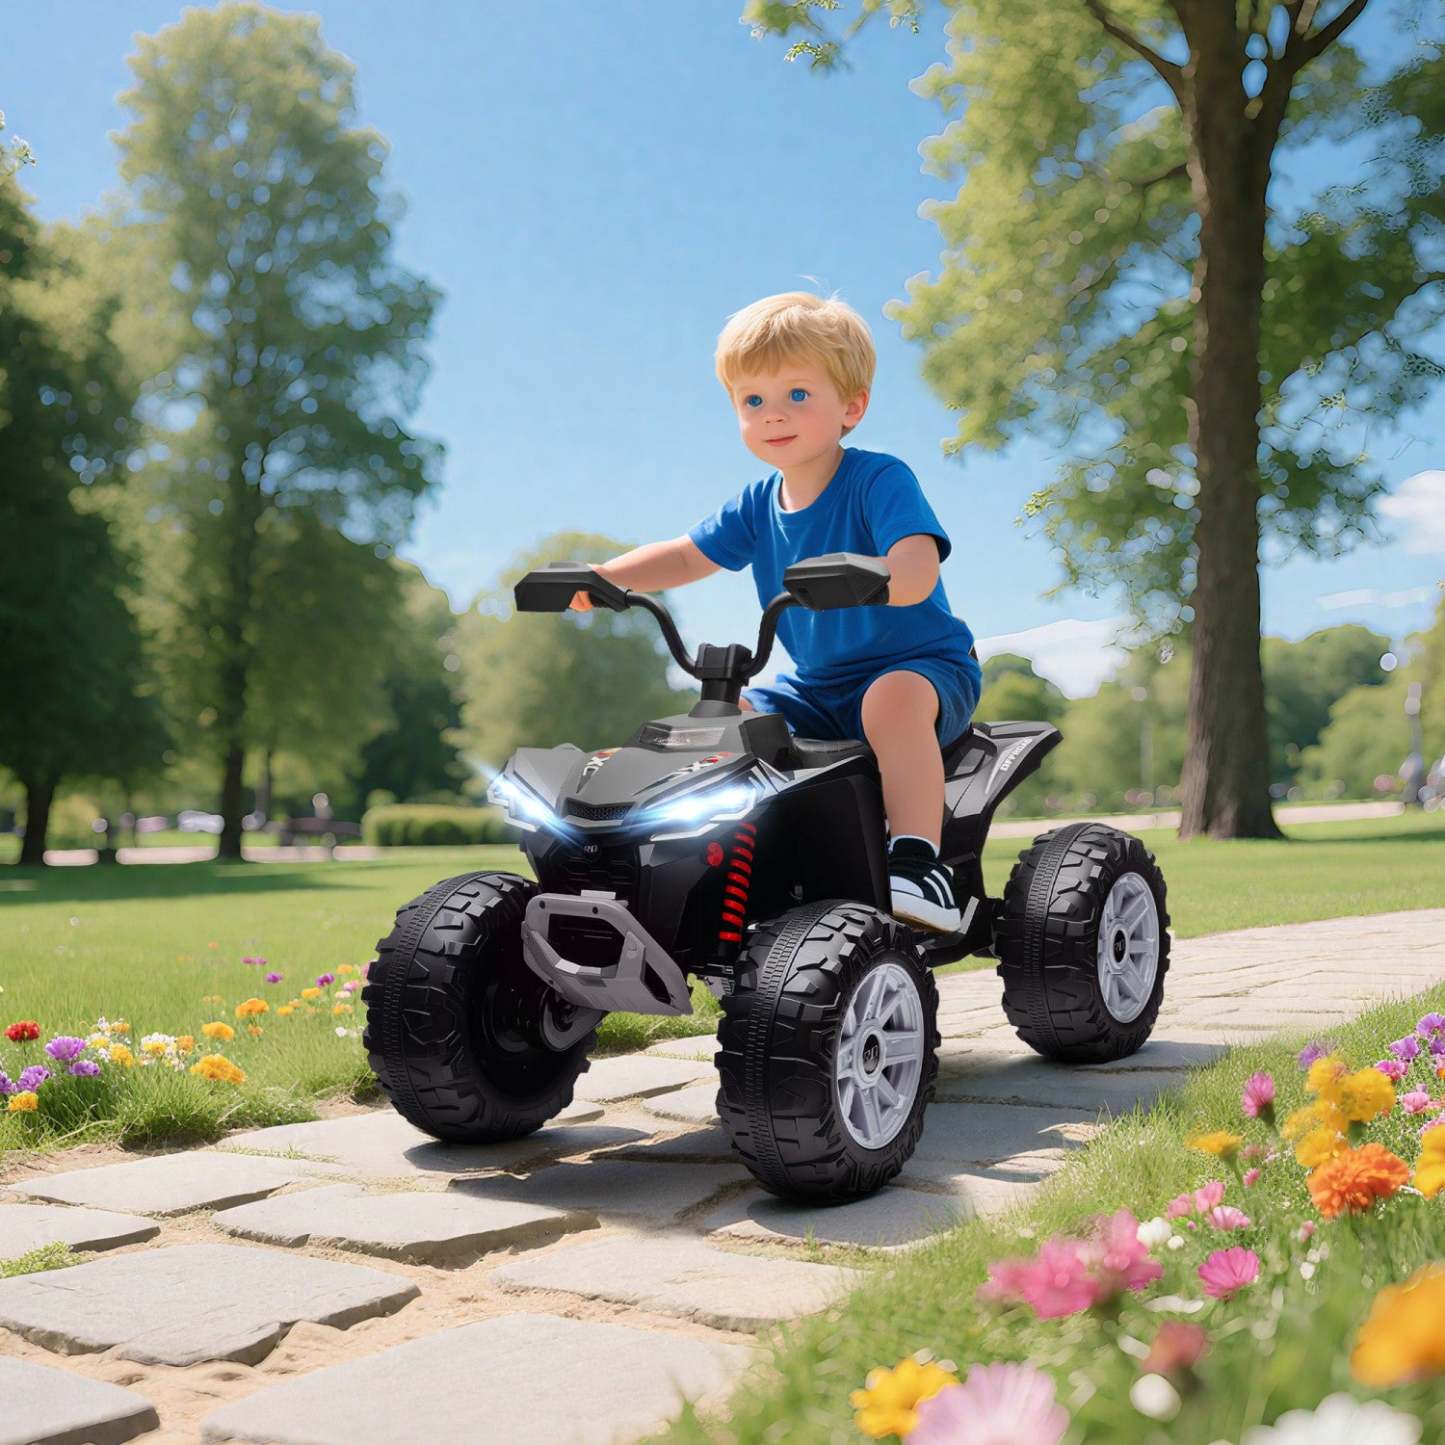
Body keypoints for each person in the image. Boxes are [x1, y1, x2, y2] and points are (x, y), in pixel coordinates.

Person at [570, 291, 982, 933]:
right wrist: (604, 578)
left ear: (851, 406)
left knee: (890, 702)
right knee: (725, 721)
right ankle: (717, 868)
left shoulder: (878, 479)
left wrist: (873, 577)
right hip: (815, 688)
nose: (772, 415)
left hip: (922, 668)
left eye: (796, 395)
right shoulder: (758, 503)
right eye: (752, 401)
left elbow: (918, 565)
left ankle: (917, 863)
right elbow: (684, 558)